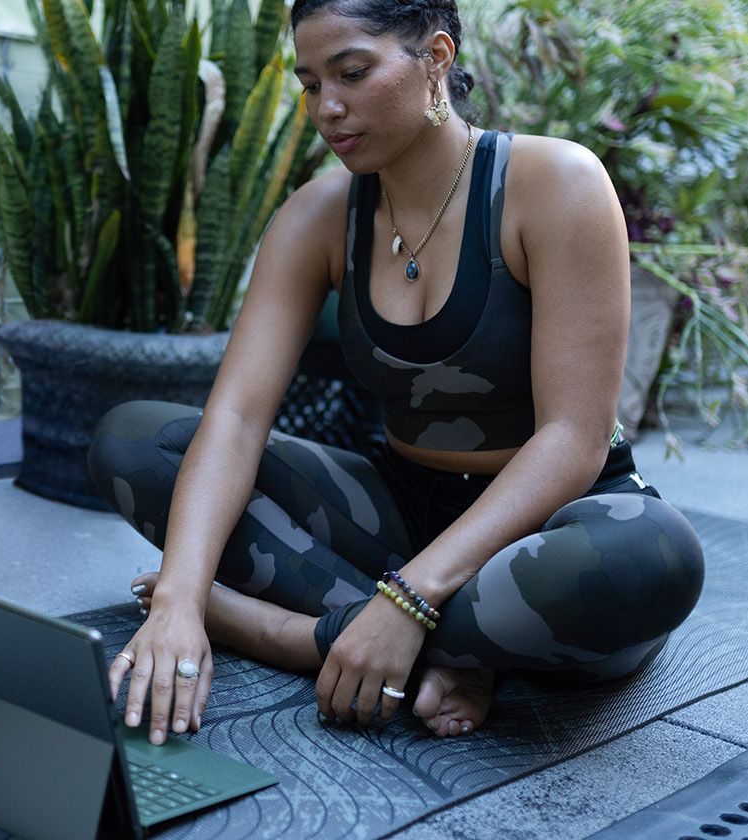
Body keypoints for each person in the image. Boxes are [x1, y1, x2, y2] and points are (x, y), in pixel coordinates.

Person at [88, 0, 705, 747]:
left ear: (436, 58)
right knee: (136, 441)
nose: (328, 108)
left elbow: (573, 440)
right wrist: (179, 604)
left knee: (653, 560)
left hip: (555, 523)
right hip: (399, 511)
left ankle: (296, 635)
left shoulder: (554, 184)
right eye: (310, 83)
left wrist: (408, 601)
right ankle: (453, 656)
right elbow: (238, 418)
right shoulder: (317, 217)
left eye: (352, 73)